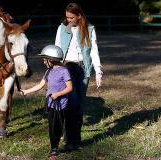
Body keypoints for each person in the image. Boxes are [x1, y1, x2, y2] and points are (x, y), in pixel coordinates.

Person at [54, 3, 102, 150]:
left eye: (71, 17)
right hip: (67, 68)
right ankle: (69, 141)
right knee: (70, 104)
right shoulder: (62, 28)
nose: (68, 20)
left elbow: (93, 51)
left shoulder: (89, 29)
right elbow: (57, 48)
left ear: (79, 16)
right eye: (67, 17)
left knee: (79, 106)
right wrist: (54, 65)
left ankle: (77, 141)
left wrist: (98, 72)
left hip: (83, 69)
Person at [20, 45, 73, 157]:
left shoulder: (64, 71)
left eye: (45, 59)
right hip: (50, 104)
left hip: (61, 105)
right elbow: (40, 85)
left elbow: (69, 88)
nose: (44, 62)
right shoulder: (48, 72)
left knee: (58, 126)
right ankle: (54, 148)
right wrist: (27, 91)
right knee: (51, 126)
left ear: (51, 60)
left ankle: (58, 145)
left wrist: (58, 94)